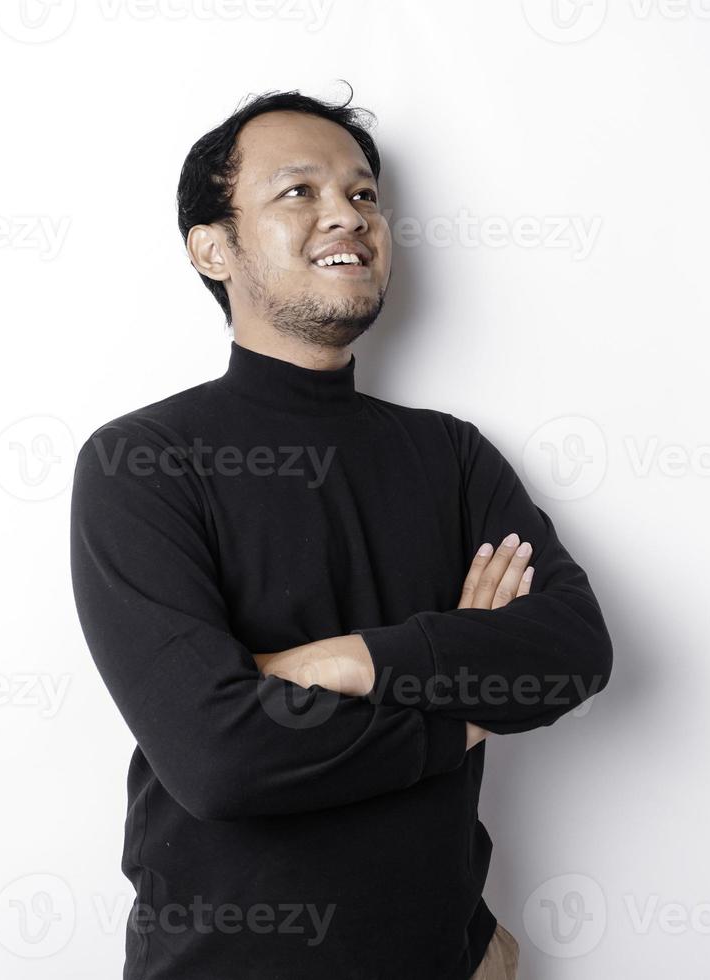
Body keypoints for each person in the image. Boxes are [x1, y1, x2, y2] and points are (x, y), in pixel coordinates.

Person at [69, 84, 613, 980]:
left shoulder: (451, 455)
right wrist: (464, 703)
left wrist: (346, 661)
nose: (347, 217)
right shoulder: (141, 461)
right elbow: (220, 761)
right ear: (213, 247)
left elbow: (574, 652)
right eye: (299, 192)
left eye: (363, 195)